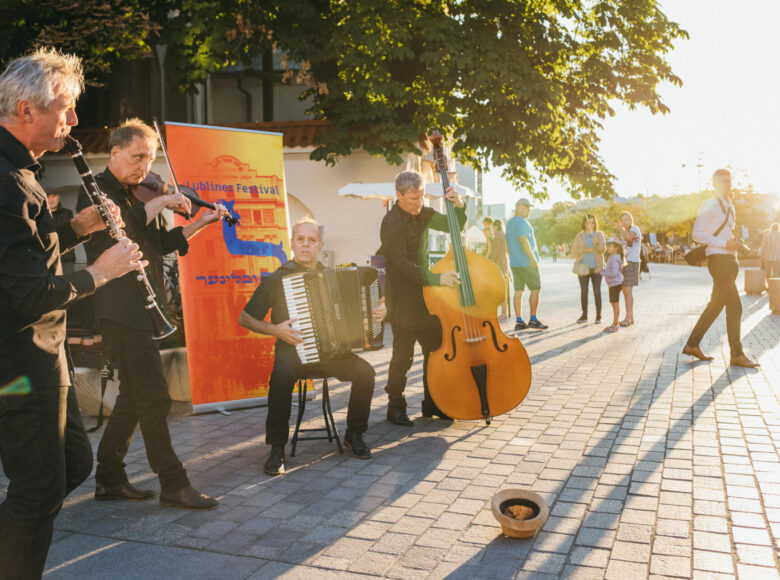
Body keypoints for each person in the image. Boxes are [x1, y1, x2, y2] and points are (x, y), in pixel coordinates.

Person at [0, 48, 143, 580]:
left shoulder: (20, 171)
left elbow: (23, 251)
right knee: (37, 489)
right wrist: (101, 271)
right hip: (18, 360)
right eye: (66, 108)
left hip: (43, 356)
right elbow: (28, 293)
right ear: (26, 110)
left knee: (74, 465)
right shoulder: (7, 181)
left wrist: (73, 230)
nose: (76, 120)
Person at [79, 118, 228, 510]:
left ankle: (109, 478)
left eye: (150, 157)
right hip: (118, 309)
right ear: (115, 153)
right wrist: (161, 201)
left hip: (143, 308)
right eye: (138, 156)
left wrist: (199, 222)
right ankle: (173, 483)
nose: (145, 166)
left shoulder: (137, 193)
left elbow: (158, 242)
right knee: (155, 397)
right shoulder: (92, 190)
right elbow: (120, 229)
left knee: (134, 395)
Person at [239, 218, 382, 475]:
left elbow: (360, 314)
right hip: (293, 350)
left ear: (321, 245)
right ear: (292, 243)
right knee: (280, 377)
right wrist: (275, 330)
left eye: (312, 240)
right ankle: (276, 447)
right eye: (301, 240)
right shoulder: (277, 279)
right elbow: (245, 318)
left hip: (332, 353)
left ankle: (354, 433)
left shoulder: (334, 276)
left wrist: (378, 313)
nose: (306, 245)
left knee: (366, 373)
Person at [380, 170, 465, 426]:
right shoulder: (390, 222)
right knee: (403, 355)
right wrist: (437, 279)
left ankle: (434, 403)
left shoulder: (425, 213)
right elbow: (401, 263)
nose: (419, 203)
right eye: (413, 198)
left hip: (426, 298)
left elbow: (455, 225)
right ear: (399, 195)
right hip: (402, 298)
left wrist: (458, 206)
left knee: (435, 350)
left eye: (421, 197)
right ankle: (395, 407)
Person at [683, 169, 759, 368]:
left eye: (729, 180)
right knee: (735, 306)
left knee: (715, 305)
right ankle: (737, 354)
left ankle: (692, 345)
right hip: (717, 260)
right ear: (715, 184)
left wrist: (734, 244)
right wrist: (723, 243)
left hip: (730, 261)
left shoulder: (730, 205)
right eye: (722, 181)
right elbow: (697, 234)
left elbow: (726, 233)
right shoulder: (709, 204)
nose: (727, 184)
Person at [506, 198, 547, 331]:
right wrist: (532, 258)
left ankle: (519, 322)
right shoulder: (522, 222)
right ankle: (533, 320)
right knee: (535, 289)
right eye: (525, 207)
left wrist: (513, 257)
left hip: (515, 263)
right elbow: (523, 240)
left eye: (528, 207)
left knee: (518, 291)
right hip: (527, 263)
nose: (527, 210)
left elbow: (508, 245)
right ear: (518, 207)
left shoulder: (509, 223)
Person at [571, 214, 606, 324]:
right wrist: (586, 249)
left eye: (592, 222)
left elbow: (603, 250)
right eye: (588, 222)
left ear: (595, 223)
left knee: (597, 291)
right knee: (584, 292)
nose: (590, 224)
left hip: (596, 267)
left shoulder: (599, 235)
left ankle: (598, 316)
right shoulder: (579, 236)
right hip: (583, 267)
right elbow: (573, 251)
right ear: (584, 223)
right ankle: (584, 315)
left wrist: (595, 245)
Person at [614, 211, 641, 326]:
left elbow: (629, 237)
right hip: (625, 262)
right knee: (626, 291)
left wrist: (620, 229)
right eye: (622, 220)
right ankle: (631, 317)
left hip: (632, 262)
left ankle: (627, 318)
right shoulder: (623, 232)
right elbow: (624, 245)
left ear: (631, 220)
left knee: (628, 291)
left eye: (626, 219)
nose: (624, 222)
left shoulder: (634, 229)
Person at [599, 237, 625, 332]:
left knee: (615, 304)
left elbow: (613, 273)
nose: (608, 248)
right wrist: (602, 270)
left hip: (615, 284)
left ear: (616, 248)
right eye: (607, 246)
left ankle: (615, 324)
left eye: (610, 246)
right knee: (614, 304)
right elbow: (611, 271)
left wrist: (602, 272)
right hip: (613, 284)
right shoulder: (613, 257)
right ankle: (615, 323)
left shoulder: (614, 259)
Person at [46, 191, 76, 273]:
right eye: (48, 197)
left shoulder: (67, 213)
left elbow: (67, 234)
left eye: (53, 196)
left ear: (58, 197)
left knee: (69, 283)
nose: (51, 200)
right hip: (48, 260)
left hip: (66, 258)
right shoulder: (42, 216)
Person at [490, 219, 510, 320]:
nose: (492, 229)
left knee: (499, 290)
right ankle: (504, 312)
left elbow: (495, 253)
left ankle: (503, 313)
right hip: (505, 263)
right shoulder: (504, 235)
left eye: (493, 227)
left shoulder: (498, 237)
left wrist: (490, 263)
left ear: (496, 227)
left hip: (499, 265)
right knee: (503, 289)